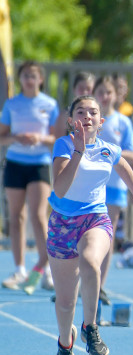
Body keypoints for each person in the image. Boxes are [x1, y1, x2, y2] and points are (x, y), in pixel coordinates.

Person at [50, 95, 133, 355]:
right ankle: (65, 342)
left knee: (90, 261)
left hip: (95, 218)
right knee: (64, 303)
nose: (87, 116)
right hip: (62, 222)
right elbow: (59, 189)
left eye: (92, 112)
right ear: (72, 120)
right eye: (81, 111)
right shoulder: (63, 145)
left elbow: (126, 170)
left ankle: (90, 327)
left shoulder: (109, 149)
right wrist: (79, 152)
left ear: (101, 121)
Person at [0, 61, 59, 294]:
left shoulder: (50, 104)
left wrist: (39, 138)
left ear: (41, 79)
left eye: (33, 76)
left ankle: (47, 269)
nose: (29, 80)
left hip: (39, 164)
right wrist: (17, 137)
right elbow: (2, 137)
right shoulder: (12, 104)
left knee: (38, 215)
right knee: (16, 217)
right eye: (25, 75)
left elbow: (57, 138)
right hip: (15, 162)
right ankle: (20, 268)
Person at [93, 76, 133, 305]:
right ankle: (82, 282)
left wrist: (111, 151)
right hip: (91, 185)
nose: (105, 96)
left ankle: (100, 285)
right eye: (100, 92)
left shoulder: (123, 122)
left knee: (106, 238)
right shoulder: (90, 120)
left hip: (114, 186)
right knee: (85, 236)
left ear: (116, 95)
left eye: (108, 92)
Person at [53, 72, 95, 137]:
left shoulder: (98, 114)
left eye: (88, 89)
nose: (84, 92)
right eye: (81, 88)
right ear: (74, 89)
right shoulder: (65, 114)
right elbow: (58, 140)